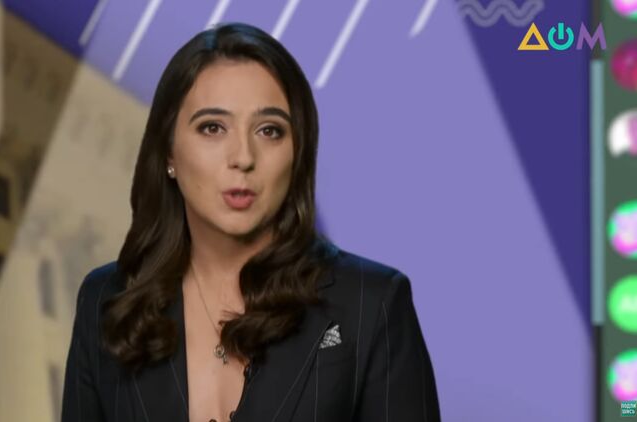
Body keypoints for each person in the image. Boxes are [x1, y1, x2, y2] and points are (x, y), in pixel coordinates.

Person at [61, 22, 440, 422]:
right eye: (212, 127)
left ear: (298, 152)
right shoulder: (105, 301)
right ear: (168, 152)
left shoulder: (373, 303)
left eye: (269, 130)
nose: (243, 157)